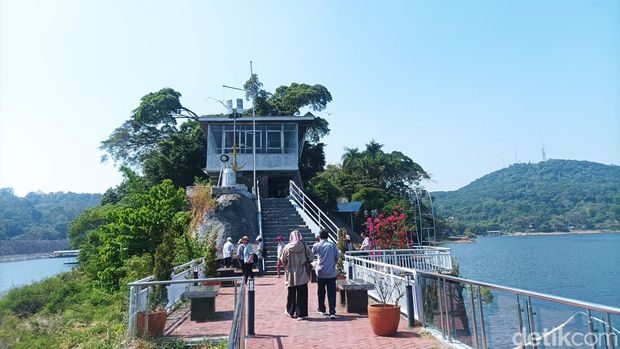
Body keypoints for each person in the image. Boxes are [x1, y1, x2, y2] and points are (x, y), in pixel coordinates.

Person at [281, 230, 312, 320]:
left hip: (291, 272)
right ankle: (301, 314)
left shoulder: (287, 247)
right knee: (302, 293)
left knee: (291, 293)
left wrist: (287, 268)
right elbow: (311, 258)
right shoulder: (305, 246)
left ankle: (290, 311)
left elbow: (283, 260)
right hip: (302, 273)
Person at [312, 229, 340, 319]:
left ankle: (322, 309)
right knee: (331, 292)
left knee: (321, 291)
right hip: (331, 273)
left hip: (320, 272)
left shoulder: (317, 245)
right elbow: (336, 258)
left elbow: (313, 252)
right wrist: (332, 265)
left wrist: (317, 241)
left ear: (319, 236)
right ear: (328, 236)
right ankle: (332, 311)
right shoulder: (332, 245)